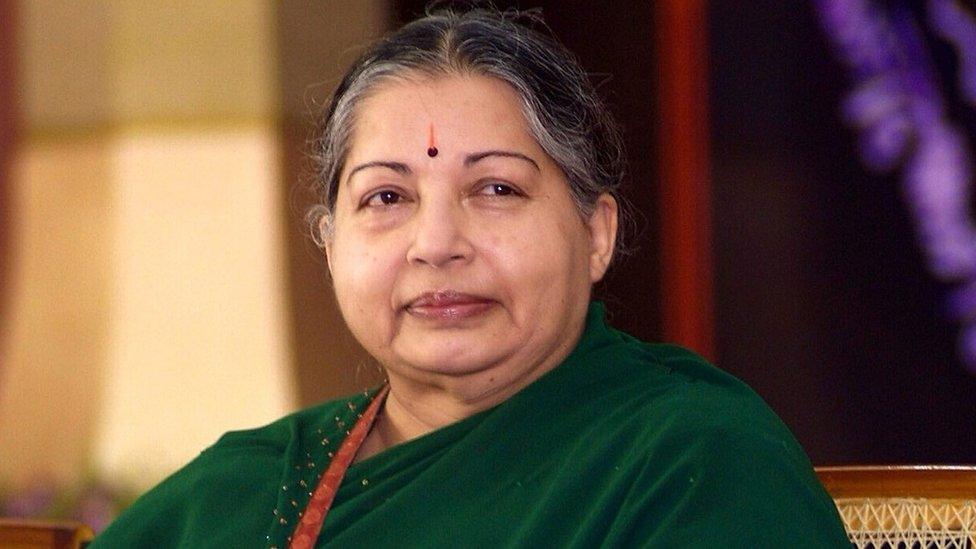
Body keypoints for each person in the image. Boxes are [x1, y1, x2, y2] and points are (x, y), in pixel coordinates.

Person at [92, 7, 850, 548]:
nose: (437, 243)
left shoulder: (690, 459)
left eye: (496, 190)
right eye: (387, 197)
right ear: (329, 246)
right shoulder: (248, 491)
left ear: (596, 233)